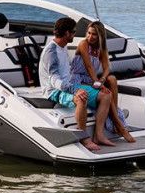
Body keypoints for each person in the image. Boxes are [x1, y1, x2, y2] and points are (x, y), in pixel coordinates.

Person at [39, 17, 115, 151]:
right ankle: (84, 138)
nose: (75, 35)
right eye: (73, 32)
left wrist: (86, 84)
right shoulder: (51, 52)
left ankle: (98, 135)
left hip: (68, 84)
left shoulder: (62, 46)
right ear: (67, 33)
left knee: (106, 96)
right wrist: (75, 90)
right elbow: (54, 80)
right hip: (54, 91)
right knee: (81, 97)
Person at [71, 20, 136, 143]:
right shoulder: (83, 44)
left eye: (94, 34)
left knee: (112, 79)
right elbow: (89, 67)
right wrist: (98, 84)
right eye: (89, 33)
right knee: (106, 93)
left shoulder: (102, 48)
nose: (90, 37)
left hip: (91, 79)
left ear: (100, 36)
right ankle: (120, 126)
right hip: (78, 79)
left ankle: (114, 120)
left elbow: (106, 68)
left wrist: (102, 79)